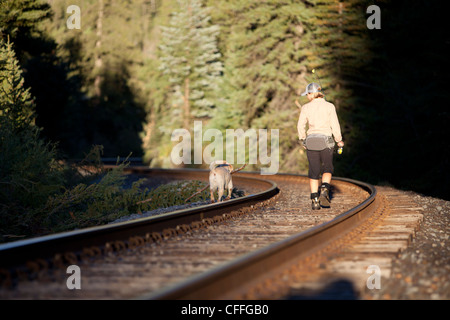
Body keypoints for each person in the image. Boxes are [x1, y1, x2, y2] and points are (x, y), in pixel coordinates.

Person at [296, 83, 344, 210]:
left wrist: (303, 139)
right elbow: (335, 125)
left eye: (307, 94)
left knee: (313, 171)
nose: (307, 96)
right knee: (327, 168)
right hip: (326, 141)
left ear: (312, 94)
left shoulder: (305, 108)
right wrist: (339, 140)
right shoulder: (330, 106)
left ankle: (315, 200)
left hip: (311, 141)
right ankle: (324, 189)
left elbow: (300, 126)